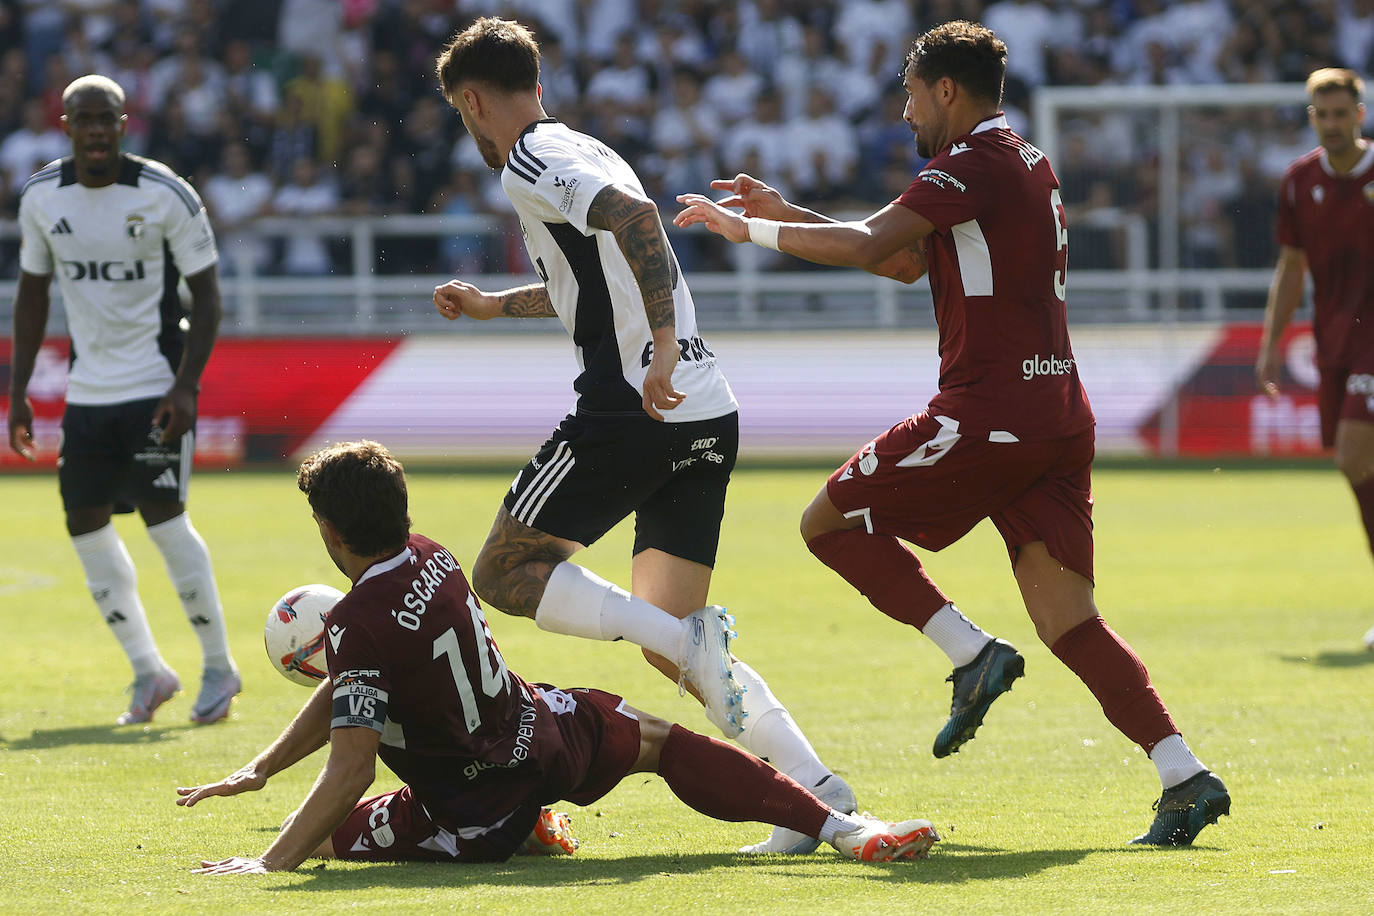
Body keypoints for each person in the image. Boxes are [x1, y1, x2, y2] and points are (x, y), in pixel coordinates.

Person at [675, 20, 1230, 847]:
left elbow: (873, 242)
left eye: (909, 95)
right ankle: (1184, 774)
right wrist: (791, 211)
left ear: (945, 90)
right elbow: (900, 260)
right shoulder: (1024, 162)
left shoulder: (969, 164)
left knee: (825, 524)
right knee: (1069, 618)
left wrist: (748, 230)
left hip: (990, 409)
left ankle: (969, 652)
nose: (904, 114)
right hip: (1055, 414)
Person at [429, 17, 856, 855]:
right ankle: (816, 792)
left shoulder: (528, 159)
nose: (468, 130)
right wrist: (493, 304)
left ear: (474, 101)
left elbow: (638, 222)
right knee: (681, 654)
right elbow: (590, 281)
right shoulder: (586, 145)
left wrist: (657, 348)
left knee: (504, 571)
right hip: (703, 409)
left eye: (461, 114)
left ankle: (686, 638)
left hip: (635, 408)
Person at [174, 440, 939, 872]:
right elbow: (358, 684)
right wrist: (267, 766)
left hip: (476, 811)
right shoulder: (430, 555)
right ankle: (845, 829)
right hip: (543, 729)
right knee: (664, 744)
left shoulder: (357, 624)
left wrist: (269, 864)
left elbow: (351, 770)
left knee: (336, 836)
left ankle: (524, 826)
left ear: (331, 535)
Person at [6, 74, 241, 726]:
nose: (97, 131)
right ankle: (149, 671)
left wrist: (186, 386)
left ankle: (219, 666)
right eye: (84, 120)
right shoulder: (42, 196)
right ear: (67, 127)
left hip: (154, 386)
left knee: (164, 520)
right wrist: (20, 389)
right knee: (84, 524)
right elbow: (32, 293)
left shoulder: (167, 194)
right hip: (87, 393)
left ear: (123, 122)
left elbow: (210, 297)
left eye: (106, 119)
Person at [1254, 68, 1374, 650]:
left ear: (1360, 114)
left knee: (1354, 454)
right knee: (1355, 466)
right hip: (1334, 339)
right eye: (1320, 115)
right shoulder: (1300, 181)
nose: (1331, 124)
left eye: (1340, 114)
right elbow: (1291, 267)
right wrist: (1272, 343)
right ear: (1312, 117)